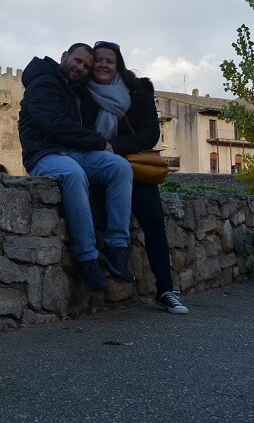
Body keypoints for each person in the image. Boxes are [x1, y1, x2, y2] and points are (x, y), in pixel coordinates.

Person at [18, 43, 135, 293]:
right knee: (72, 173)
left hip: (75, 153)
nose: (80, 67)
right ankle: (87, 258)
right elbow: (51, 122)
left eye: (86, 66)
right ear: (64, 57)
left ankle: (117, 248)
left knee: (120, 167)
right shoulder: (44, 79)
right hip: (43, 154)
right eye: (77, 61)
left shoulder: (77, 90)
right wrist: (96, 142)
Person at [86, 40, 189, 314]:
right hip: (98, 169)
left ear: (118, 64)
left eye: (110, 61)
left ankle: (165, 290)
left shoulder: (138, 91)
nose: (104, 65)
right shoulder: (83, 91)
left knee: (154, 224)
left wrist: (114, 147)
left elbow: (150, 133)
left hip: (133, 168)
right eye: (99, 60)